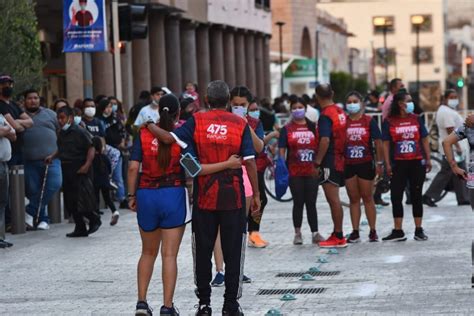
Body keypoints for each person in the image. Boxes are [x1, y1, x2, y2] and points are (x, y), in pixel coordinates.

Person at [146, 81, 260, 315]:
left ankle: (205, 304)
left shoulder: (196, 121)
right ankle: (231, 304)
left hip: (204, 198)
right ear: (228, 100)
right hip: (234, 197)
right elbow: (249, 162)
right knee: (234, 251)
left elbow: (170, 140)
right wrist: (256, 194)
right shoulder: (240, 123)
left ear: (206, 100)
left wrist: (148, 126)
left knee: (202, 252)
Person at [128, 94, 242, 315]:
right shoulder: (182, 135)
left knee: (147, 252)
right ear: (179, 113)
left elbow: (133, 167)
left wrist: (132, 196)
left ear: (158, 110)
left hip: (147, 194)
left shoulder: (143, 133)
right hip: (173, 194)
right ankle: (167, 306)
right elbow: (193, 168)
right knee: (169, 255)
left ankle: (141, 302)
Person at [381, 89, 431, 242]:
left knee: (416, 195)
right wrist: (387, 164)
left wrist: (428, 159)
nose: (411, 104)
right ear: (400, 104)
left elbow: (424, 139)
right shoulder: (389, 121)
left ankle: (418, 229)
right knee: (396, 196)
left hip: (416, 162)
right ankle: (398, 230)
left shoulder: (416, 118)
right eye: (408, 101)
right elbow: (386, 144)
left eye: (411, 101)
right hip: (398, 163)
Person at [279, 97, 324, 245]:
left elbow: (320, 146)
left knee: (311, 202)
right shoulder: (287, 129)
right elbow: (282, 150)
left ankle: (315, 233)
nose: (297, 110)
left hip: (312, 171)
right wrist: (282, 168)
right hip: (294, 171)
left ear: (305, 109)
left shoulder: (314, 127)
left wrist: (318, 165)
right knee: (298, 202)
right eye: (294, 107)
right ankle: (297, 233)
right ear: (291, 110)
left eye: (300, 107)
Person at [55, 106, 102, 237]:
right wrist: (52, 156)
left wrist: (87, 165)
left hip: (80, 167)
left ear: (70, 118)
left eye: (62, 117)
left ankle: (94, 219)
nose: (60, 120)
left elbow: (91, 147)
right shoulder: (61, 133)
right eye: (58, 118)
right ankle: (80, 227)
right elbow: (62, 149)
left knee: (81, 198)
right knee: (70, 200)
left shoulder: (79, 131)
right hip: (66, 167)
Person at [344, 91, 383, 243]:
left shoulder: (368, 121)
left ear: (361, 103)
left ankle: (373, 230)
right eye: (349, 101)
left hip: (365, 163)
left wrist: (380, 163)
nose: (352, 104)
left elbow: (378, 142)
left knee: (367, 197)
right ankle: (355, 231)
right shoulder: (344, 122)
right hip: (349, 164)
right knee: (353, 199)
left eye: (355, 101)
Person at [313, 84, 348, 248]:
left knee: (333, 200)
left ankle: (339, 235)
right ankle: (337, 232)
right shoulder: (340, 112)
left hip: (330, 160)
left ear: (316, 96)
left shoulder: (326, 115)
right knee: (335, 199)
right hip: (341, 158)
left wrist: (317, 162)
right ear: (332, 93)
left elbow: (325, 140)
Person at [22, 89, 62, 230]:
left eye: (36, 98)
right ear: (24, 101)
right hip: (29, 160)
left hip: (52, 159)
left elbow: (60, 131)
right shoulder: (20, 115)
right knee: (34, 190)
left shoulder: (50, 114)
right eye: (30, 98)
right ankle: (42, 219)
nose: (33, 100)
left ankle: (29, 212)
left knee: (55, 183)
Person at [423, 89, 470, 207]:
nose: (454, 99)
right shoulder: (446, 112)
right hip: (452, 149)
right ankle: (429, 195)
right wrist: (457, 146)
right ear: (445, 98)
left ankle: (463, 197)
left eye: (455, 97)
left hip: (452, 148)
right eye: (451, 97)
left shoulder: (447, 110)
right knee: (447, 172)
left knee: (459, 172)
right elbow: (450, 130)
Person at [97, 98, 128, 209]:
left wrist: (122, 143)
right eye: (107, 107)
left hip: (116, 150)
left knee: (118, 177)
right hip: (102, 152)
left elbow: (122, 132)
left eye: (111, 107)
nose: (109, 109)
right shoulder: (98, 120)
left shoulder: (115, 119)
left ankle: (122, 199)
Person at [0, 75, 33, 166]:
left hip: (20, 150)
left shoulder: (14, 104)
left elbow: (30, 122)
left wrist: (18, 121)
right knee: (11, 179)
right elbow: (16, 128)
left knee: (20, 179)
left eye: (9, 84)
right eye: (3, 84)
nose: (7, 86)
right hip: (9, 153)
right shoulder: (1, 105)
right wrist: (19, 124)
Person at [92, 137, 119, 226]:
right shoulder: (105, 157)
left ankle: (96, 217)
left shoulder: (91, 159)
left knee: (95, 199)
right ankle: (114, 211)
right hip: (105, 181)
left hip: (95, 182)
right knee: (107, 198)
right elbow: (110, 169)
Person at [0, 112, 15, 248]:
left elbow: (14, 135)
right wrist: (5, 129)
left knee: (2, 201)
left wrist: (4, 130)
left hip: (4, 164)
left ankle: (0, 237)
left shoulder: (1, 116)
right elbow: (7, 130)